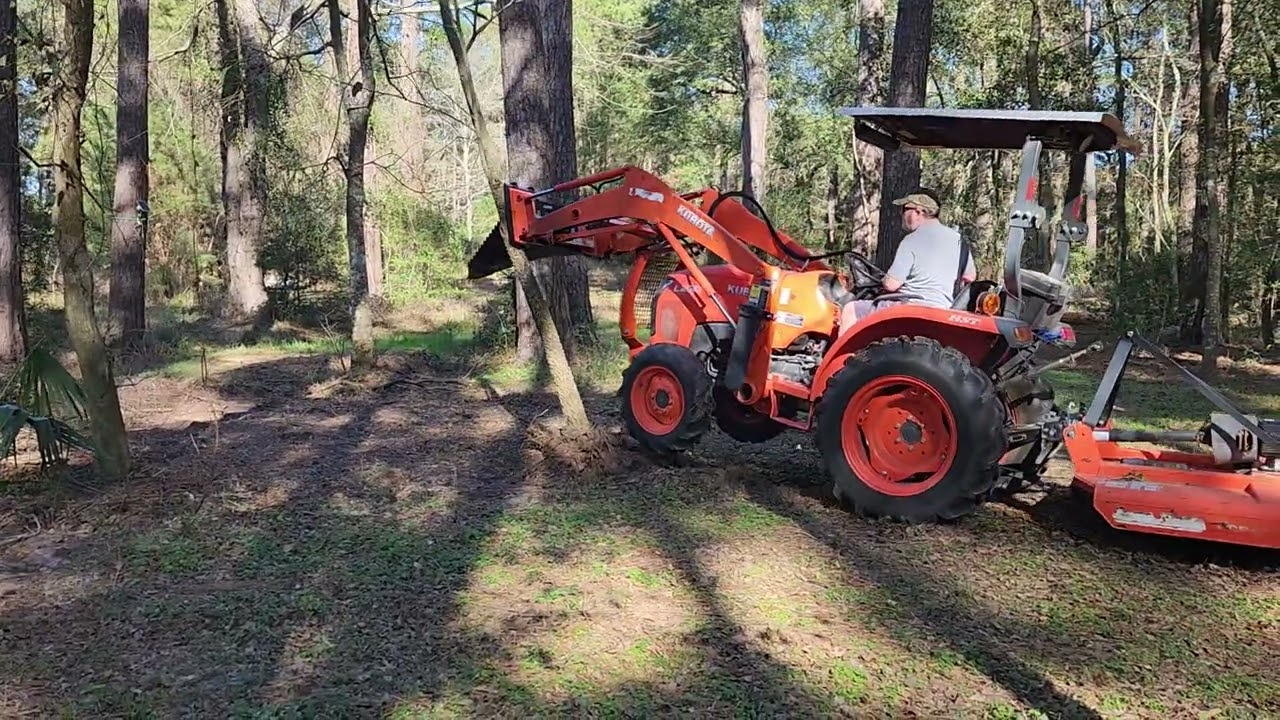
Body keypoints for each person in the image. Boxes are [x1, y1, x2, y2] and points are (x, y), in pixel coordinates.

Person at [839, 188, 976, 329]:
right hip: (943, 310)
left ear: (918, 212)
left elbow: (891, 285)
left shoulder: (911, 240)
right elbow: (970, 277)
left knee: (850, 310)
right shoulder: (959, 241)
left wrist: (884, 279)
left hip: (910, 309)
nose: (902, 214)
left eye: (905, 209)